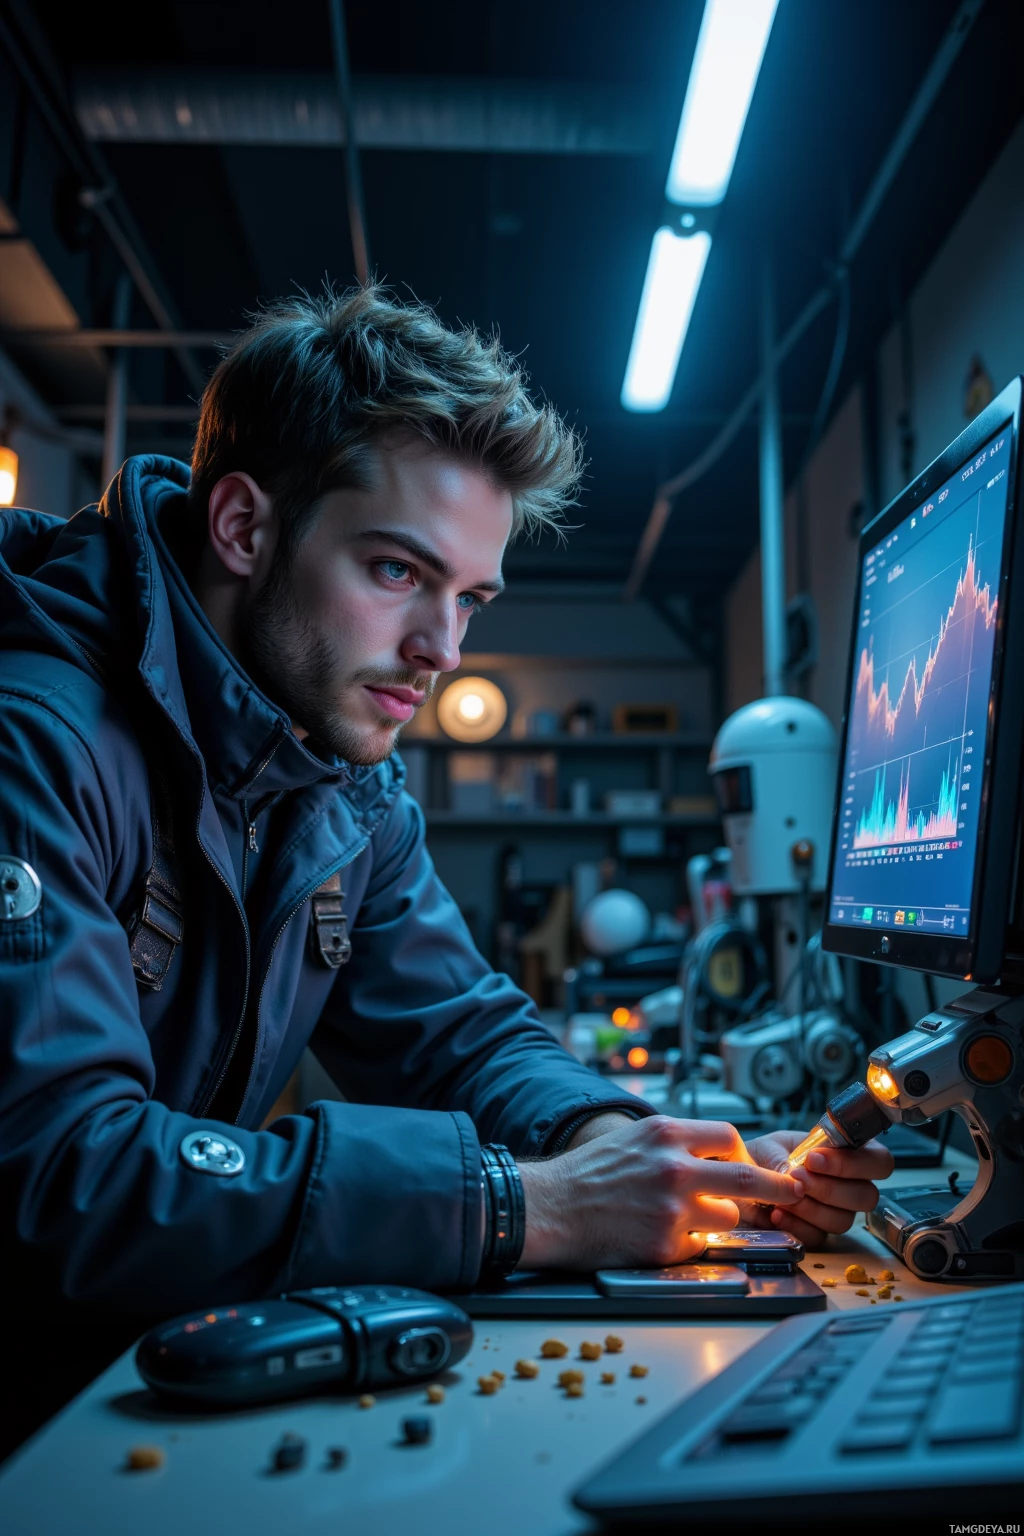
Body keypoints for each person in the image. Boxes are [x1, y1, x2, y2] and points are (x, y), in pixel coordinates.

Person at [0, 285, 890, 1448]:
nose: (441, 650)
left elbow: (461, 1033)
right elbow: (61, 1174)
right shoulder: (36, 739)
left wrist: (631, 1150)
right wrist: (522, 1206)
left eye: (468, 597)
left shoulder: (334, 776)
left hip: (113, 1379)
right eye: (394, 572)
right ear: (242, 527)